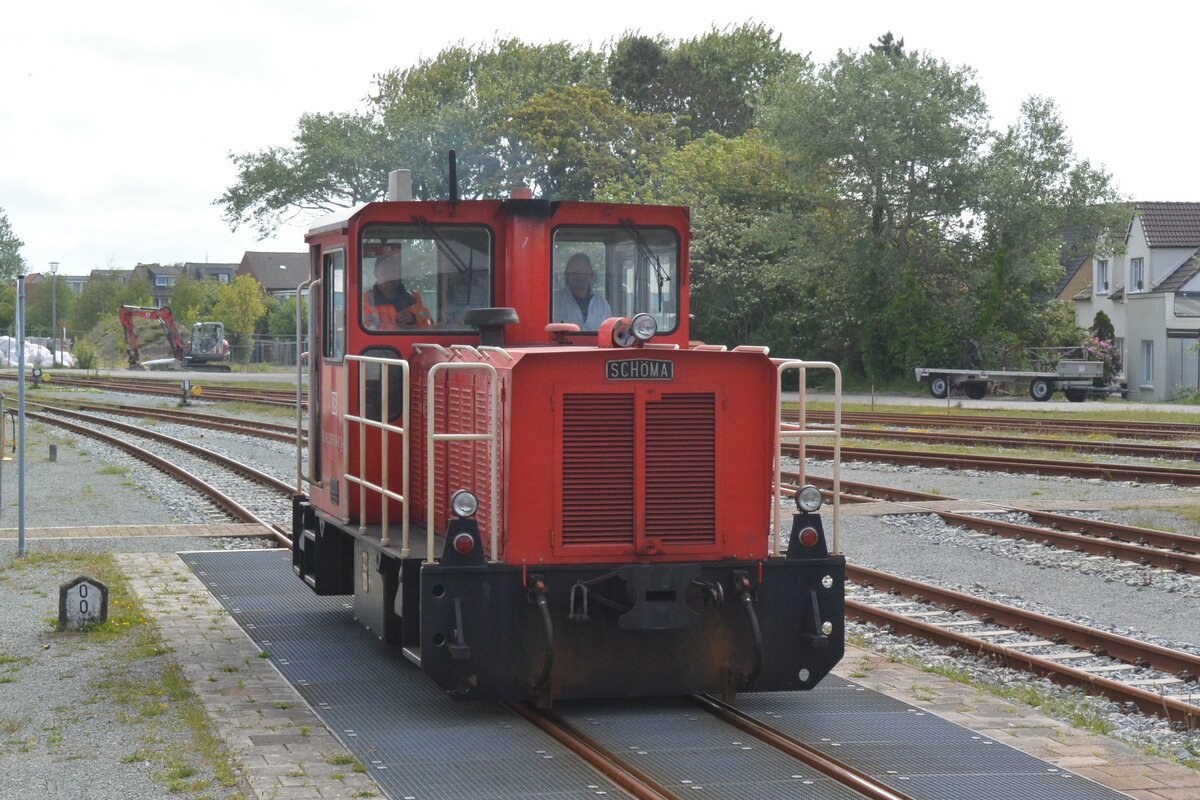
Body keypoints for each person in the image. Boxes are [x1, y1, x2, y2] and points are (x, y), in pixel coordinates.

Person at [363, 246, 431, 329]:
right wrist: (400, 328)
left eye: (394, 271)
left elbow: (430, 326)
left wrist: (414, 318)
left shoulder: (414, 297)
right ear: (376, 274)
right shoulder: (365, 299)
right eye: (385, 271)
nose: (391, 275)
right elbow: (366, 327)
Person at [553, 252, 612, 330]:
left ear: (591, 275)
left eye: (585, 272)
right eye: (576, 273)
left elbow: (609, 331)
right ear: (568, 275)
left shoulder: (602, 303)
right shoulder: (554, 301)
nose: (581, 276)